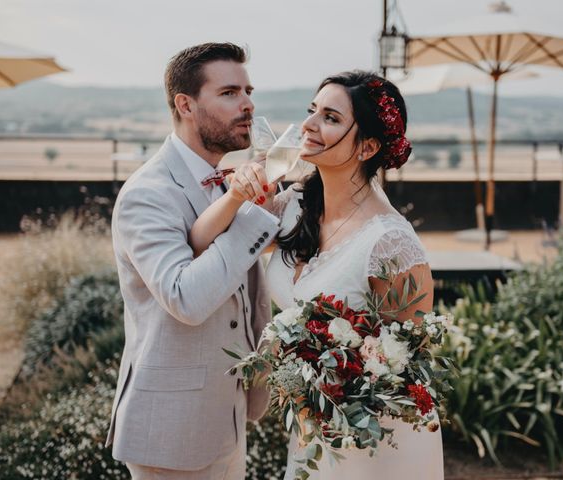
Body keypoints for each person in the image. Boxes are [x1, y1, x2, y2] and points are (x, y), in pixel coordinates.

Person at [190, 70, 444, 479]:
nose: (308, 125)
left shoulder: (392, 245)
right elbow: (201, 242)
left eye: (330, 118)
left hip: (376, 445)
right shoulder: (294, 204)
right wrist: (238, 193)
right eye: (312, 111)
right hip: (313, 434)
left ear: (368, 147)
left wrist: (328, 381)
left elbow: (407, 371)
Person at [106, 42, 280, 480]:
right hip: (171, 433)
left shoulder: (226, 179)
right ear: (185, 104)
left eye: (248, 90)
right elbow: (185, 298)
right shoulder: (148, 193)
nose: (248, 104)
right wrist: (249, 215)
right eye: (229, 93)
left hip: (227, 418)